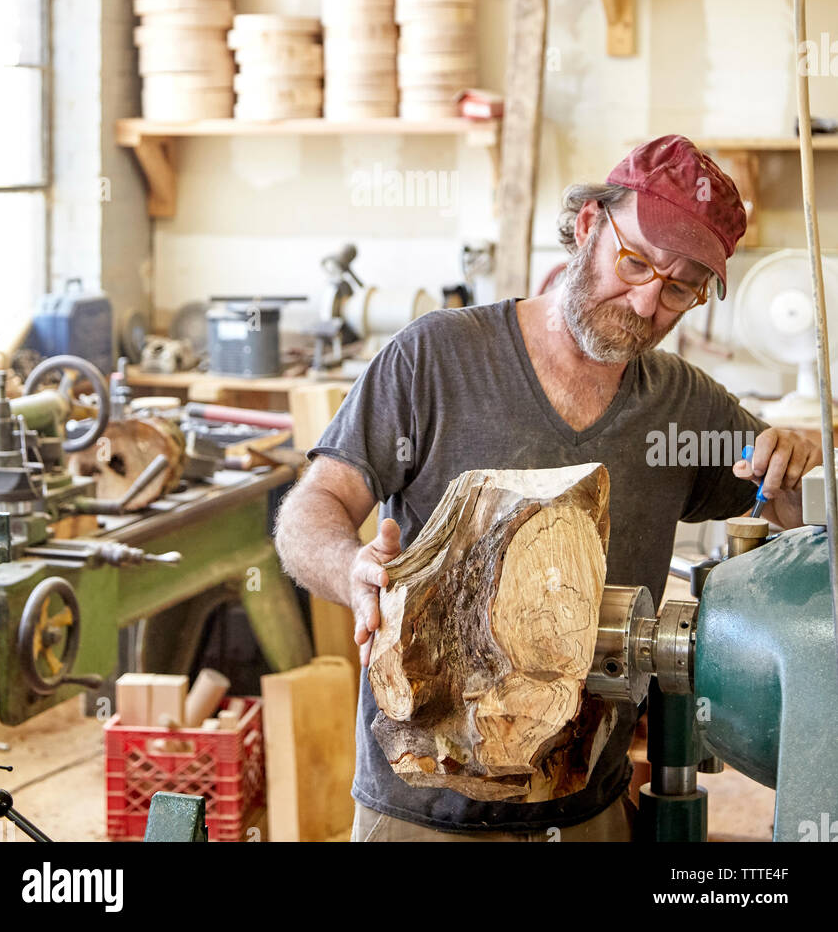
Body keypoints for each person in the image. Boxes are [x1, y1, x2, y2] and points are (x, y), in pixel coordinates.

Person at [274, 135, 821, 842]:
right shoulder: (438, 359)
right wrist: (352, 573)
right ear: (589, 223)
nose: (648, 300)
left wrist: (794, 470)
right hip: (422, 808)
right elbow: (310, 511)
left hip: (584, 809)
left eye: (680, 286)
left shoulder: (685, 408)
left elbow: (788, 509)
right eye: (636, 262)